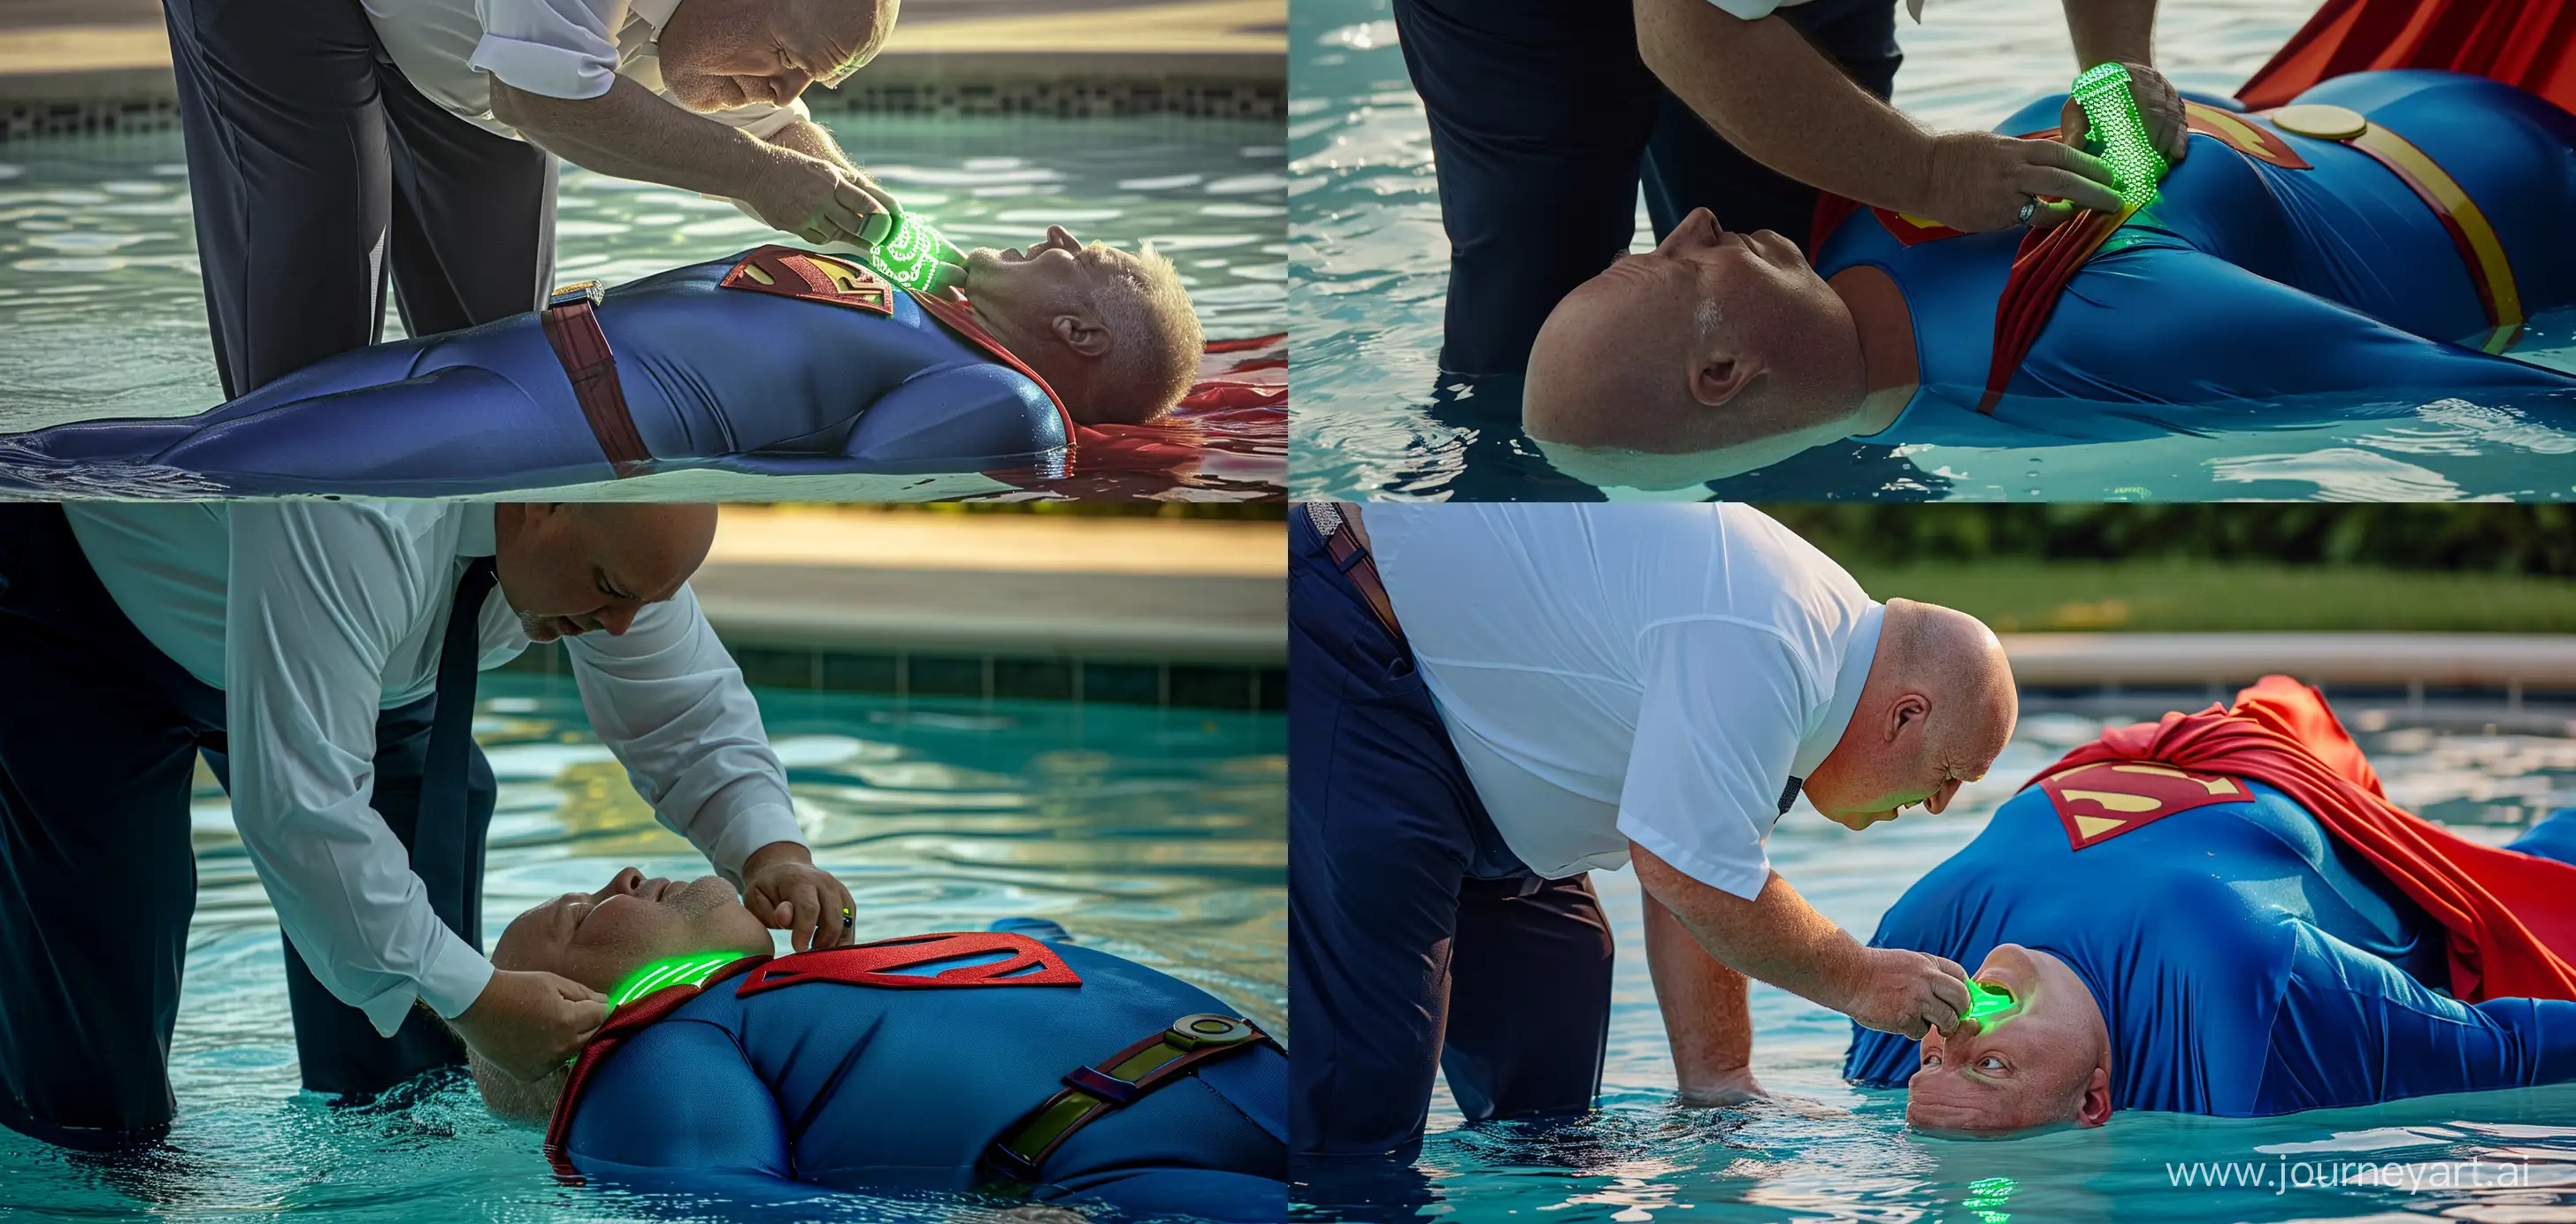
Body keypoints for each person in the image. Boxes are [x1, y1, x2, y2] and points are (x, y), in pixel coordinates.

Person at [0, 501, 855, 1148]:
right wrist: (471, 992)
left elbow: (681, 702)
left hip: (377, 674)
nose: (621, 624)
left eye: (649, 598)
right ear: (538, 505)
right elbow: (302, 808)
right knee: (91, 1086)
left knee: (406, 1086)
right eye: (606, 591)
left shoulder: (614, 531)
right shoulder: (366, 515)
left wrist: (767, 847)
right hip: (92, 621)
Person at [1368, 0, 2191, 376]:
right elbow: (1690, 33)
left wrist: (2114, 76)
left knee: (1791, 305)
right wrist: (1930, 172)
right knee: (1544, 281)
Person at [121, 0, 902, 397]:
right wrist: (758, 177)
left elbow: (774, 134)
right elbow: (541, 100)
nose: (787, 88)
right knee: (325, 187)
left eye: (810, 79)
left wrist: (866, 215)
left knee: (504, 361)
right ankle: (280, 494)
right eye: (787, 59)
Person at [1290, 501, 2019, 1160]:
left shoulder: (1811, 674)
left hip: (1481, 757)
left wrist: (1719, 1086)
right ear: (1905, 716)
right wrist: (1859, 979)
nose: (1939, 805)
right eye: (1951, 773)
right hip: (1366, 639)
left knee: (1554, 1095)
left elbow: (1710, 869)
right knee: (1368, 1107)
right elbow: (1684, 869)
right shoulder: (1768, 638)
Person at [1523, 70, 2576, 489]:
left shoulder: (1852, 238)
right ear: (1722, 372)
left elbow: (2100, 110)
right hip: (2509, 195)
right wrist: (2117, 100)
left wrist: (2121, 91)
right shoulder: (2084, 333)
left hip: (2446, 143)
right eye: (1668, 267)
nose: (1691, 223)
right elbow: (2479, 392)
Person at [1849, 677, 2576, 1132]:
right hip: (2306, 802)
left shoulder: (1907, 970)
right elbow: (2513, 1047)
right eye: (1992, 1068)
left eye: (1939, 1062)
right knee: (2541, 890)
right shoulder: (2248, 1006)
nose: (1960, 1037)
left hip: (2198, 747)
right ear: (2094, 1101)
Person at [1, 229, 1202, 494]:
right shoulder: (924, 307)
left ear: (1082, 338)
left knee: (203, 473)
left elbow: (857, 465)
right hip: (502, 358)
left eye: (1081, 258)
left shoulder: (1006, 399)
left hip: (543, 421)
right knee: (192, 440)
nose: (1053, 237)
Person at [468, 868, 1285, 1220]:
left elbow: (1020, 949)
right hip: (1133, 1170)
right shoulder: (655, 1051)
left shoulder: (809, 991)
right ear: (573, 1008)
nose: (630, 876)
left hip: (1277, 1096)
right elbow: (716, 1196)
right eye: (585, 912)